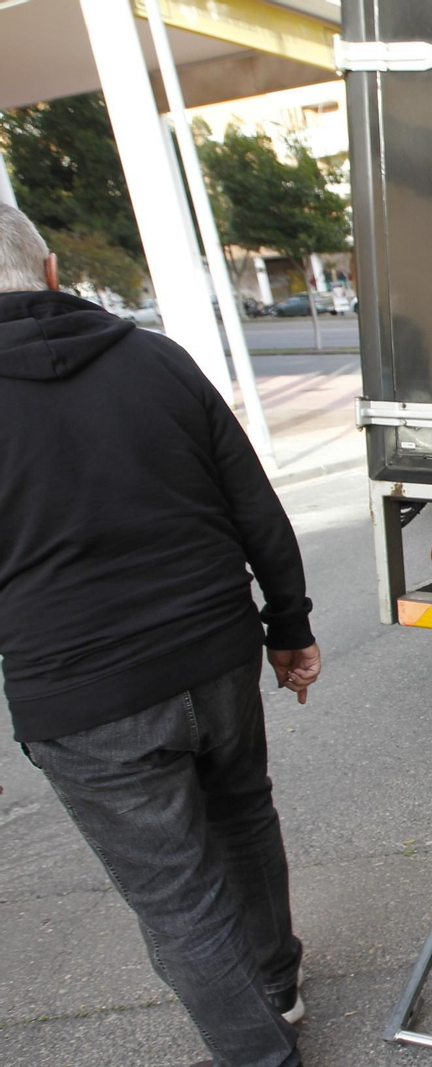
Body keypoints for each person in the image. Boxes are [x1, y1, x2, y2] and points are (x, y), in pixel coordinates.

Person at [0, 203, 319, 1067]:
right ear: (53, 270)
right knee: (244, 815)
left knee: (176, 893)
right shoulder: (156, 360)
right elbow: (255, 502)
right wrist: (287, 625)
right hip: (213, 650)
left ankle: (262, 1050)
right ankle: (278, 984)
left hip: (81, 691)